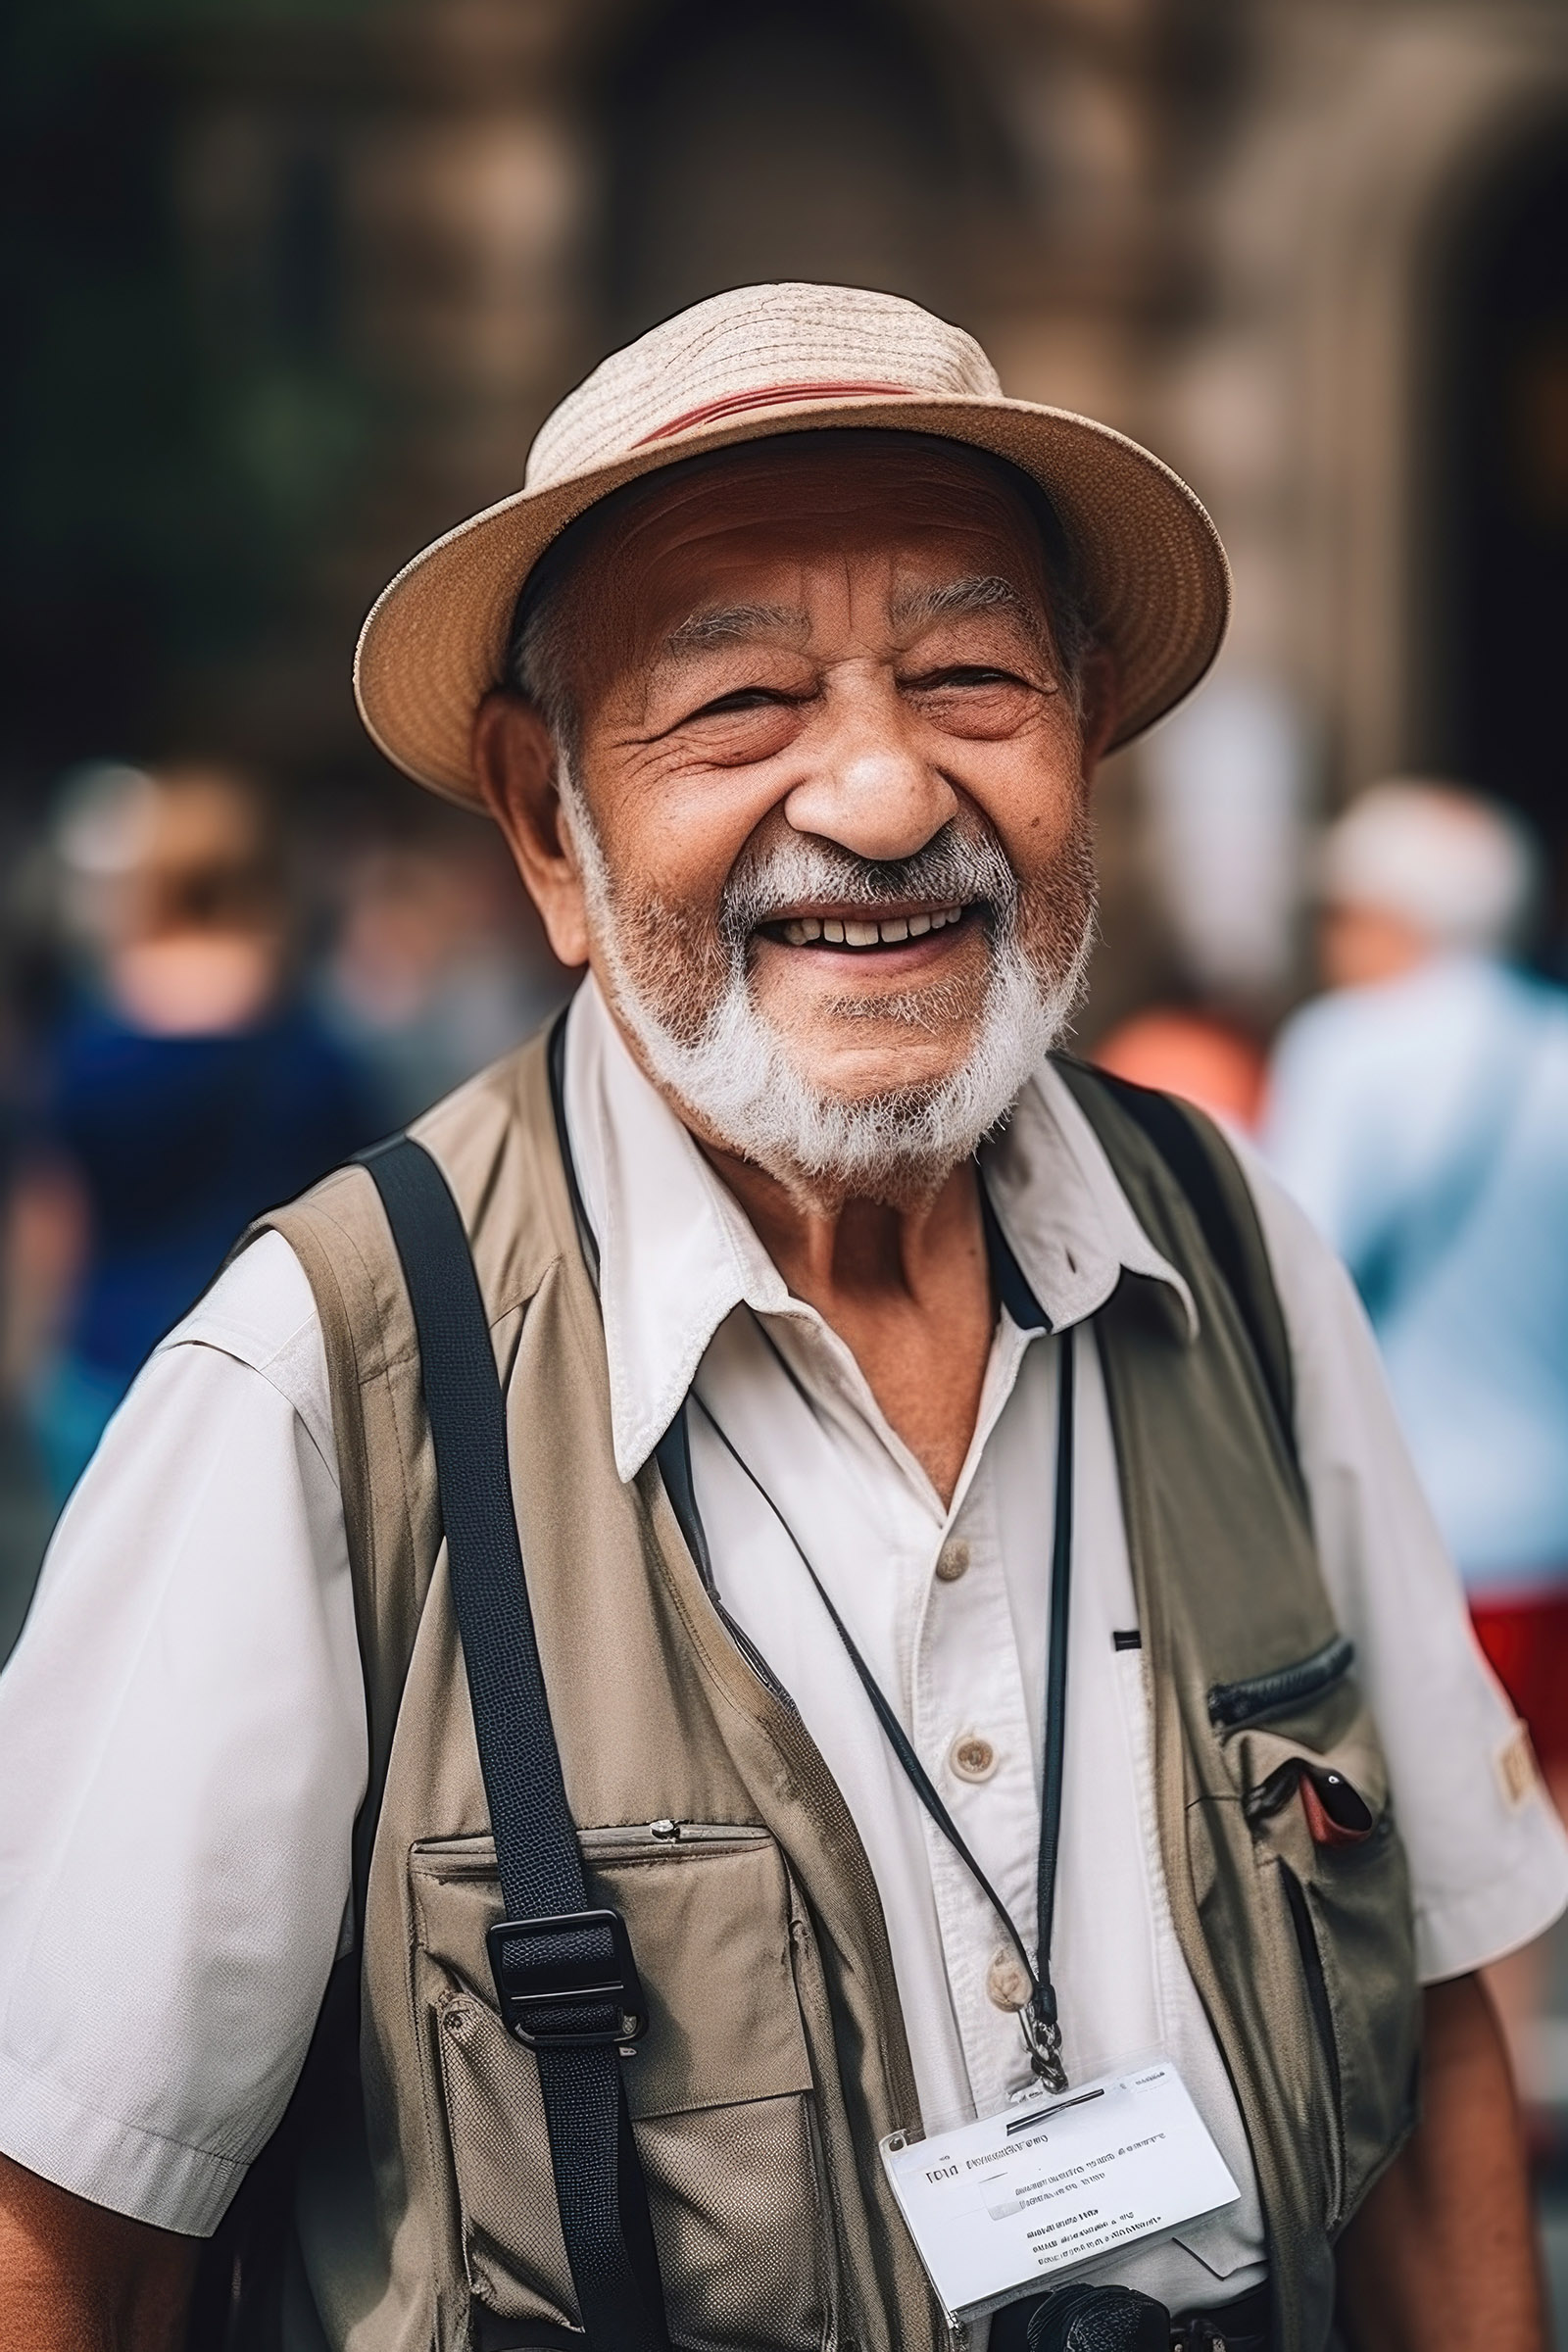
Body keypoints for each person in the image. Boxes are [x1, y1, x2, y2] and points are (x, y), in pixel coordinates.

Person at [0, 286, 1561, 2352]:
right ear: (547, 820)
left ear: (1080, 739)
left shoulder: (1232, 1251)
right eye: (734, 703)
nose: (888, 796)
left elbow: (1441, 2039)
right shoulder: (323, 1383)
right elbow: (67, 2240)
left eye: (971, 675)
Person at [1262, 778, 1568, 2074]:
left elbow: (1285, 1270)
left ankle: (1470, 2109)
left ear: (1392, 915)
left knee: (1432, 1824)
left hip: (1419, 1518)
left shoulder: (1352, 1047)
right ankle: (1527, 2046)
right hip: (1549, 1518)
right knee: (1537, 1793)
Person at [29, 761, 379, 1494]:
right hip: (265, 1366)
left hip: (102, 1365)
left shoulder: (89, 1039)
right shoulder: (309, 1047)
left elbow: (58, 1214)